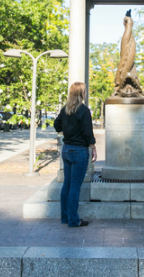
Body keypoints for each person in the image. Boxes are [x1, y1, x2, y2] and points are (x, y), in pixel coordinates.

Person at [54, 82, 97, 228]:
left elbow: (56, 125)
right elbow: (87, 132)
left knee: (67, 185)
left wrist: (66, 132)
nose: (85, 93)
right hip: (79, 151)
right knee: (74, 187)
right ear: (80, 94)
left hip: (66, 149)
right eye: (84, 91)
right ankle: (73, 220)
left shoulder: (65, 109)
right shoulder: (83, 110)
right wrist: (93, 147)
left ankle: (65, 217)